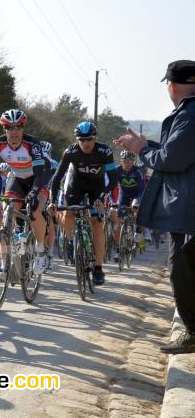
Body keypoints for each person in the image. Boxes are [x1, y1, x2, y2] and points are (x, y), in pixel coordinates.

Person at [115, 59, 195, 354]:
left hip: (189, 209)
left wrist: (141, 150)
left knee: (182, 269)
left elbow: (171, 159)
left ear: (171, 86)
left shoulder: (190, 114)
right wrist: (145, 144)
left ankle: (192, 333)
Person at [0, 109, 49, 279]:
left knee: (35, 212)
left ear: (23, 128)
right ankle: (4, 265)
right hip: (17, 178)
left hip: (37, 178)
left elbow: (39, 174)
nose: (14, 132)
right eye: (10, 128)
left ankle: (40, 251)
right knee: (7, 214)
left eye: (18, 128)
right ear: (4, 129)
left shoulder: (32, 144)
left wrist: (34, 193)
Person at [48, 121, 117, 285]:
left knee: (97, 224)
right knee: (69, 213)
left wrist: (102, 196)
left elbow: (113, 179)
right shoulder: (70, 151)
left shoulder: (104, 151)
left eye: (89, 140)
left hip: (96, 187)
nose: (85, 143)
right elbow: (57, 178)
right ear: (77, 139)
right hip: (76, 184)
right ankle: (71, 240)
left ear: (95, 138)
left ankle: (99, 269)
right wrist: (52, 202)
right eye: (82, 140)